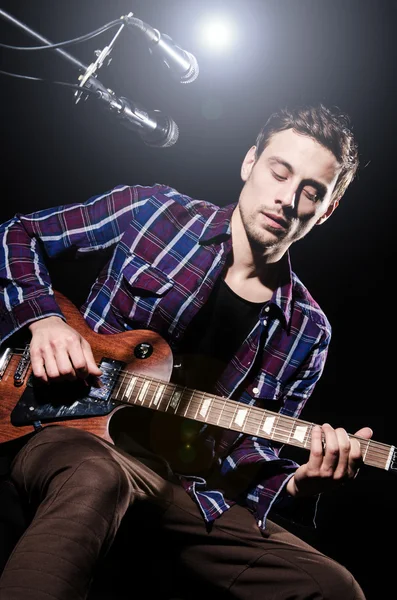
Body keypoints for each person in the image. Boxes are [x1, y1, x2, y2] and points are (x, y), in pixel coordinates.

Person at [0, 103, 372, 600]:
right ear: (249, 164)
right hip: (70, 432)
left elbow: (250, 458)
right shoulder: (155, 212)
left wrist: (303, 485)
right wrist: (44, 321)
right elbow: (18, 235)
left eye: (311, 191)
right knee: (99, 474)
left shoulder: (308, 330)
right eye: (279, 172)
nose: (287, 198)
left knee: (333, 587)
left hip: (182, 490)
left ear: (326, 210)